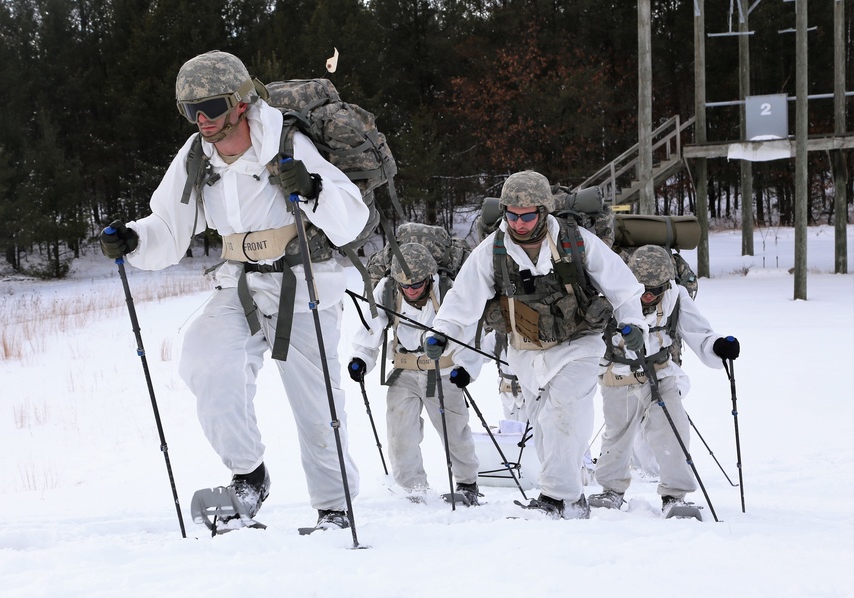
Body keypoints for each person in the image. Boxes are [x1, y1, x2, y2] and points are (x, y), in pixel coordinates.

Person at [99, 51, 369, 531]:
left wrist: (311, 189)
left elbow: (351, 219)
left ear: (241, 102)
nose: (202, 120)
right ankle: (249, 476)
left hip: (301, 281)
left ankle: (335, 507)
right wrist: (135, 239)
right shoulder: (194, 158)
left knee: (316, 402)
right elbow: (169, 226)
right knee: (205, 360)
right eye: (190, 111)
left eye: (212, 107)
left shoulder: (287, 142)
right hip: (239, 283)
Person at [422, 170, 647, 519]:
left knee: (564, 411)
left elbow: (622, 284)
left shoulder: (577, 241)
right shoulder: (492, 250)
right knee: (544, 426)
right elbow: (462, 299)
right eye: (511, 214)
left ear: (544, 211)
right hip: (526, 352)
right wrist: (440, 333)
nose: (519, 223)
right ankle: (573, 499)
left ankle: (554, 498)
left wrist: (633, 323)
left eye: (527, 215)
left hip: (579, 345)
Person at [590, 245, 741, 515]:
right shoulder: (616, 293)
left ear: (667, 284)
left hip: (661, 372)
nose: (647, 296)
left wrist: (719, 346)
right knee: (618, 434)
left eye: (654, 290)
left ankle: (674, 495)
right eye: (642, 288)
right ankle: (611, 491)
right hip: (620, 373)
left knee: (674, 429)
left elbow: (700, 332)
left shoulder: (677, 296)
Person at [348, 243, 484, 505]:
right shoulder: (388, 290)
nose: (410, 290)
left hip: (443, 371)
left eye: (416, 285)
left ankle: (468, 483)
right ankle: (413, 488)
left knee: (454, 431)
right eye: (405, 286)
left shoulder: (448, 291)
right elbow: (371, 325)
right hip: (404, 370)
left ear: (428, 277)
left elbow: (468, 331)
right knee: (400, 432)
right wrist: (361, 358)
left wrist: (465, 368)